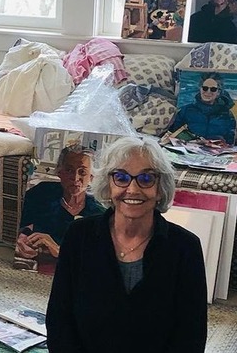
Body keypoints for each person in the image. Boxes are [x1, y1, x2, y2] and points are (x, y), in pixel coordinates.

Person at [46, 136, 207, 352]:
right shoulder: (79, 235)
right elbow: (59, 319)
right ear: (108, 185)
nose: (132, 189)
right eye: (121, 177)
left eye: (147, 178)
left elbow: (191, 337)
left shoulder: (185, 248)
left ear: (160, 188)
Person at [15, 145, 105, 274]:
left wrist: (58, 250)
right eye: (69, 170)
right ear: (59, 173)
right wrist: (20, 239)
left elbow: (96, 258)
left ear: (91, 177)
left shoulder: (98, 213)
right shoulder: (42, 193)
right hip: (33, 267)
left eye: (82, 172)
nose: (75, 178)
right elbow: (17, 222)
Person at [167, 72, 236, 143]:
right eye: (205, 88)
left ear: (218, 92)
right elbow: (173, 135)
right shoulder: (185, 111)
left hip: (217, 151)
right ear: (200, 89)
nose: (208, 92)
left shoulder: (227, 115)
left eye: (213, 89)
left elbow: (230, 141)